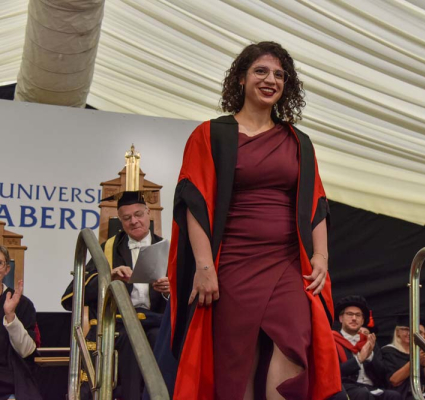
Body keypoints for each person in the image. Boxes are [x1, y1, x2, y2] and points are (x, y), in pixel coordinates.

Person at [167, 41, 341, 400]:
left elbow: (317, 205)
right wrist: (204, 266)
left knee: (294, 345)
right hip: (232, 262)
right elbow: (194, 203)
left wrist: (321, 257)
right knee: (238, 361)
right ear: (241, 79)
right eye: (260, 71)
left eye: (279, 74)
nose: (270, 80)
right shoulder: (211, 134)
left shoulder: (299, 142)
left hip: (287, 262)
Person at [61, 191, 169, 400]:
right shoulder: (107, 251)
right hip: (119, 323)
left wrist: (169, 291)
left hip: (156, 320)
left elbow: (187, 295)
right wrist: (107, 278)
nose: (134, 221)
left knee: (161, 338)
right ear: (120, 221)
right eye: (127, 218)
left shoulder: (168, 248)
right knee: (132, 340)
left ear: (148, 213)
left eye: (138, 214)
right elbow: (69, 297)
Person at [333, 295, 400, 400]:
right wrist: (359, 359)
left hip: (371, 388)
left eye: (358, 315)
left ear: (363, 320)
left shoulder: (369, 342)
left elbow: (383, 375)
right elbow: (333, 373)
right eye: (349, 314)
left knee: (393, 396)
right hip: (346, 388)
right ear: (341, 318)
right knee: (362, 393)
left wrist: (370, 357)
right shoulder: (332, 341)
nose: (354, 318)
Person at [0, 246, 42, 400]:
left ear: (7, 269)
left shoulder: (22, 304)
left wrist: (10, 316)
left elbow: (27, 350)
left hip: (8, 385)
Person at [381, 315, 425, 400]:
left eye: (416, 331)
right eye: (406, 329)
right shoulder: (389, 352)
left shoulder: (423, 352)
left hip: (424, 394)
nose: (409, 334)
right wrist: (415, 361)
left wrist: (424, 364)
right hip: (402, 395)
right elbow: (394, 381)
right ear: (398, 332)